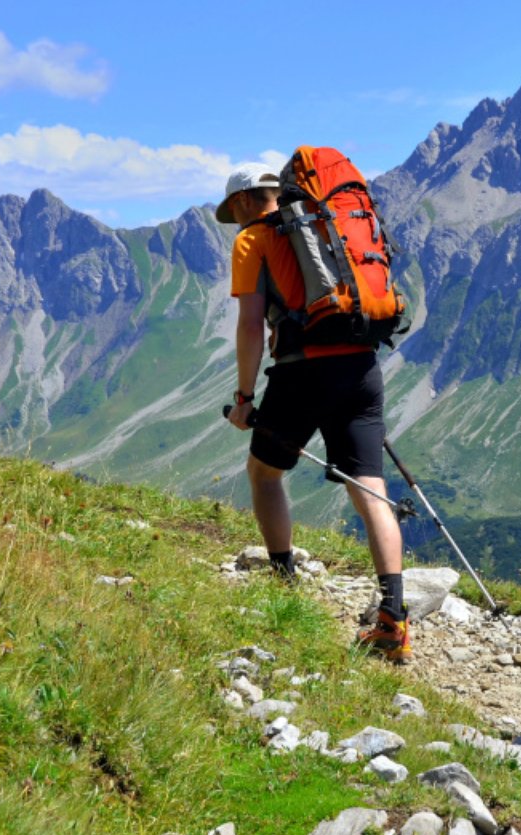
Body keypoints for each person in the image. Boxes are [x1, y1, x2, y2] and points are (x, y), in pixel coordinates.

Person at [219, 162, 411, 664]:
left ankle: (283, 583)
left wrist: (244, 400)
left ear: (243, 201)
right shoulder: (327, 226)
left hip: (301, 372)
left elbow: (249, 325)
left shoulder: (252, 240)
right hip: (363, 367)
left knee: (263, 473)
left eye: (231, 210)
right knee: (370, 487)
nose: (233, 220)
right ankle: (394, 618)